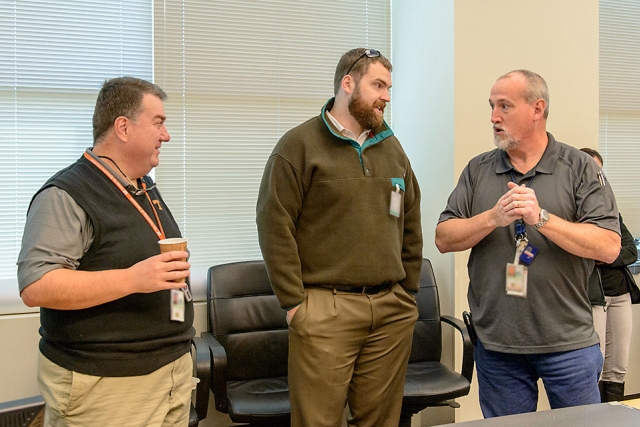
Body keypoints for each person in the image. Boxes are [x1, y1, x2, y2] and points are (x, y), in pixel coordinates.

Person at [435, 69, 621, 418]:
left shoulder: (579, 168)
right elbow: (444, 237)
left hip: (568, 345)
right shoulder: (478, 170)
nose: (494, 117)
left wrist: (542, 219)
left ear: (537, 108)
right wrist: (492, 218)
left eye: (504, 106)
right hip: (498, 346)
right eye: (491, 106)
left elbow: (609, 246)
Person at [256, 48, 422, 427]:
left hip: (390, 310)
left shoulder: (391, 147)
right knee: (318, 421)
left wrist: (407, 291)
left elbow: (410, 219)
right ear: (347, 84)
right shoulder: (298, 146)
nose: (387, 96)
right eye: (378, 85)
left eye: (389, 87)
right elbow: (273, 224)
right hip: (324, 310)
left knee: (381, 421)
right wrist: (296, 303)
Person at [17, 77, 195, 426]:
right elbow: (37, 284)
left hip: (169, 372)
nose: (167, 135)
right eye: (158, 123)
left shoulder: (143, 187)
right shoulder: (66, 194)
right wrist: (133, 279)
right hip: (108, 386)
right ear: (123, 128)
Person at [581, 147, 639, 403]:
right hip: (594, 298)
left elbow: (629, 251)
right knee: (594, 364)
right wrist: (603, 252)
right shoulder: (572, 215)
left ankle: (613, 415)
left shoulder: (611, 212)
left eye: (600, 172)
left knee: (618, 368)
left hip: (621, 294)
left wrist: (604, 255)